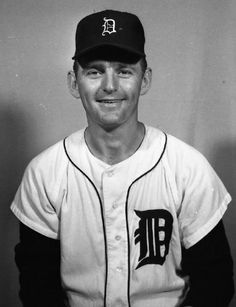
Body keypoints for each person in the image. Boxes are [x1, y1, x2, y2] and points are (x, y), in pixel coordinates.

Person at [11, 9, 234, 307]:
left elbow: (216, 284)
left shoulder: (188, 168)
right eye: (94, 70)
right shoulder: (44, 172)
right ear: (74, 83)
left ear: (144, 80)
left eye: (124, 70)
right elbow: (37, 290)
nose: (110, 85)